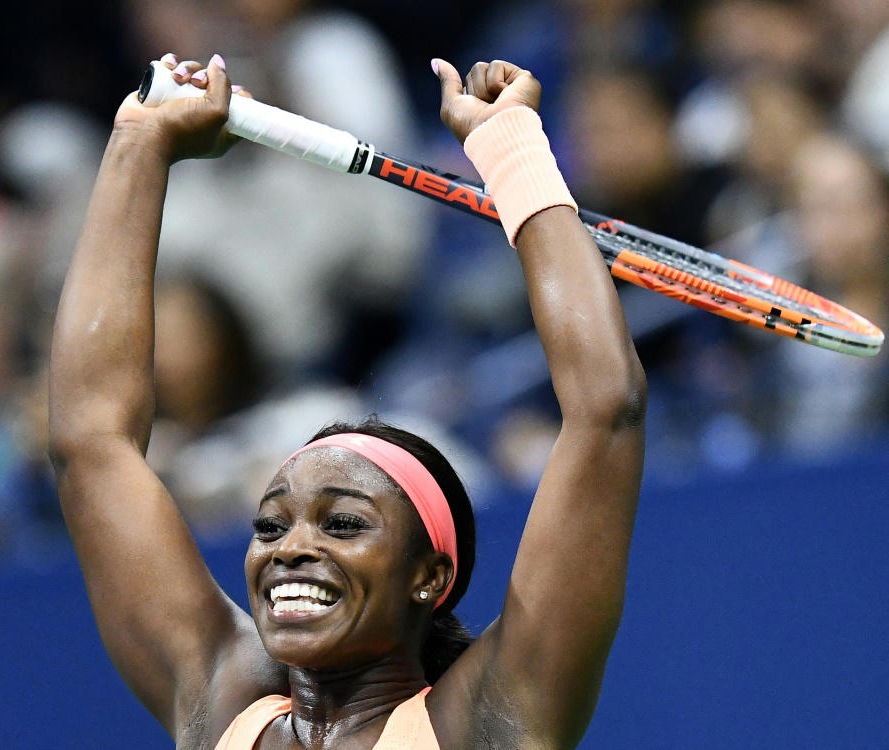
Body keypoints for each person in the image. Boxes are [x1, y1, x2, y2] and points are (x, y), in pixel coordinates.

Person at [48, 52, 647, 750]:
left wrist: (509, 147)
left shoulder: (488, 718)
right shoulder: (220, 698)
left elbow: (605, 409)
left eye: (343, 525)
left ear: (429, 577)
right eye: (270, 528)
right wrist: (139, 143)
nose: (291, 548)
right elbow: (90, 443)